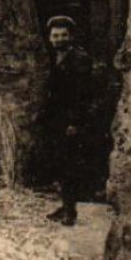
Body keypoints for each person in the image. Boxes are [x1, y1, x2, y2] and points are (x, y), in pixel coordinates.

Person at [40, 15, 108, 225]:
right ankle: (66, 205)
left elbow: (81, 95)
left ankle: (71, 211)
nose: (59, 39)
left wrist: (74, 123)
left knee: (70, 166)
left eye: (63, 35)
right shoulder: (56, 57)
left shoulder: (78, 59)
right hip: (58, 120)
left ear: (71, 37)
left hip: (72, 121)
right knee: (61, 164)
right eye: (55, 35)